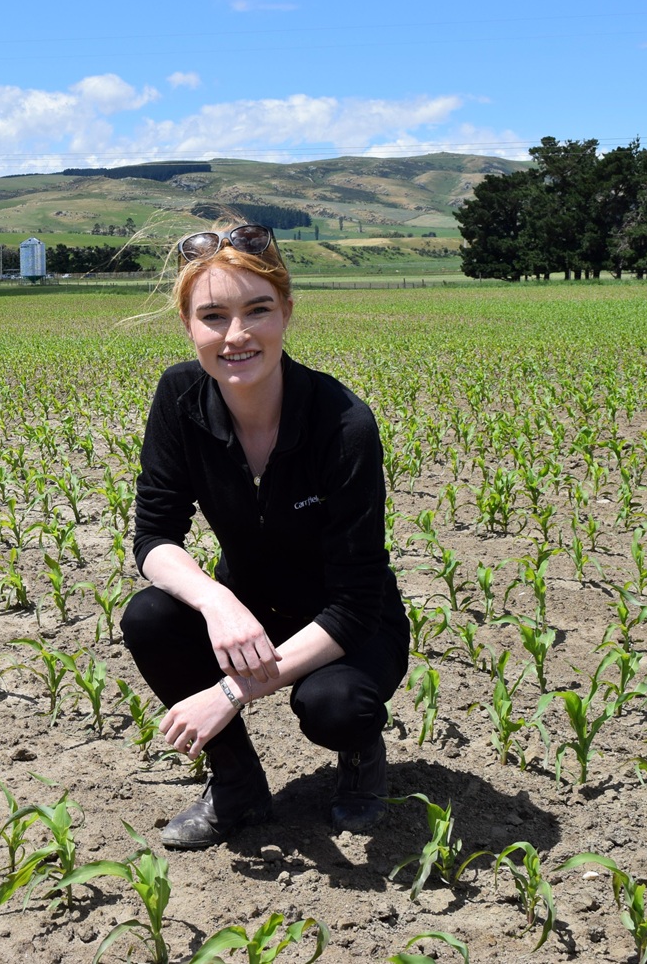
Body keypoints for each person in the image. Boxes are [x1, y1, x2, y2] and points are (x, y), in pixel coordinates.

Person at [121, 224, 409, 850]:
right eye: (213, 316)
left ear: (286, 312)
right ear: (188, 326)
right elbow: (154, 537)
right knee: (150, 615)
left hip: (350, 626)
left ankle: (360, 758)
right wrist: (218, 601)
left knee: (334, 706)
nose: (236, 336)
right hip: (250, 608)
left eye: (257, 311)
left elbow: (356, 602)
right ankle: (236, 785)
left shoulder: (343, 424)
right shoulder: (179, 397)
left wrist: (230, 691)